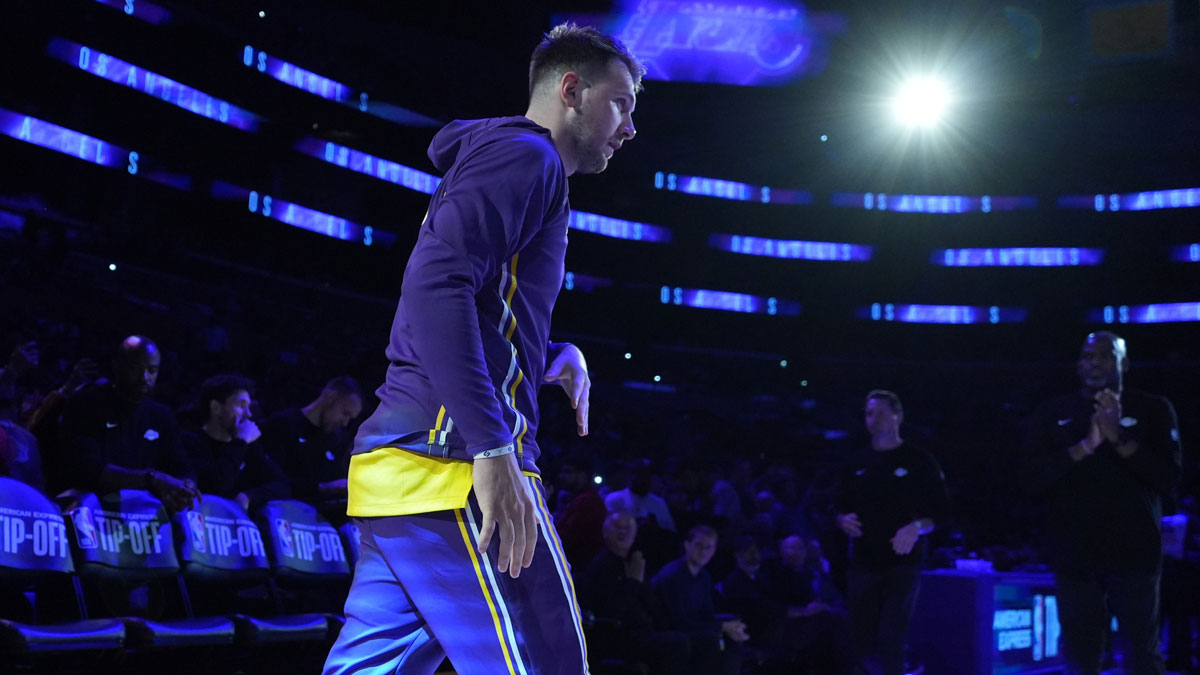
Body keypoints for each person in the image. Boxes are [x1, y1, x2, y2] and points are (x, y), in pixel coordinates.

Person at [322, 23, 643, 674]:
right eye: (621, 103)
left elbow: (475, 303)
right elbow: (437, 282)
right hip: (455, 469)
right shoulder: (530, 157)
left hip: (405, 473)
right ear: (572, 91)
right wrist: (492, 450)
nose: (629, 127)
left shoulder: (509, 159)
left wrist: (551, 355)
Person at [1024, 332, 1181, 675]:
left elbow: (1169, 479)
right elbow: (1031, 478)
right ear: (1078, 365)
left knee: (1142, 653)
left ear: (1124, 363)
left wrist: (1118, 438)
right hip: (1075, 552)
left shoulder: (1153, 408)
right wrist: (1086, 445)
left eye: (1105, 355)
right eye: (1087, 356)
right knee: (1081, 655)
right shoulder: (1053, 412)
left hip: (1135, 552)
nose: (1094, 362)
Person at [835, 390, 948, 675]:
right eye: (869, 413)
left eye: (882, 412)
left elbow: (941, 512)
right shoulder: (855, 462)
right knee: (859, 637)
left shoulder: (920, 461)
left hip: (903, 562)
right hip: (863, 560)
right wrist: (841, 519)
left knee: (891, 636)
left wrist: (917, 527)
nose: (874, 419)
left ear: (898, 416)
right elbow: (838, 506)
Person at [53, 336, 199, 512]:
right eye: (135, 368)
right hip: (89, 513)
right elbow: (87, 470)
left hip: (140, 520)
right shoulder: (86, 403)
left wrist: (187, 486)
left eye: (152, 370)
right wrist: (152, 479)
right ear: (116, 366)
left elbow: (183, 466)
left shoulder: (162, 415)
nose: (144, 377)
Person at [579, 512, 689, 674]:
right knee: (678, 644)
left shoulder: (634, 562)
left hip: (642, 632)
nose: (623, 532)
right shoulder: (600, 566)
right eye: (618, 527)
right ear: (605, 532)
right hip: (616, 636)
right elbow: (612, 611)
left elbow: (653, 604)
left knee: (695, 638)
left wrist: (639, 583)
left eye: (628, 528)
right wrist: (633, 582)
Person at [182, 374, 288, 511]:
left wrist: (249, 496)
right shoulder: (191, 442)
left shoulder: (248, 446)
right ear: (216, 407)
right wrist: (241, 441)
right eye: (241, 406)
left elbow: (283, 485)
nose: (248, 414)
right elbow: (218, 487)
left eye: (249, 407)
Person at [652, 525, 748, 675]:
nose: (703, 551)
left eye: (708, 547)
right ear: (687, 545)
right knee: (710, 640)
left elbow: (708, 614)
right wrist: (721, 627)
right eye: (698, 545)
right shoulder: (672, 576)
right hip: (671, 630)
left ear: (714, 550)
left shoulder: (704, 577)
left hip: (693, 628)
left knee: (733, 639)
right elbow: (678, 621)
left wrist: (730, 628)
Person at [259, 377, 362, 516]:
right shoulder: (283, 425)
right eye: (345, 413)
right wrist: (323, 488)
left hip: (322, 526)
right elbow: (274, 481)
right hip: (282, 517)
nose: (345, 423)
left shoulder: (336, 440)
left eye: (350, 418)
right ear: (330, 396)